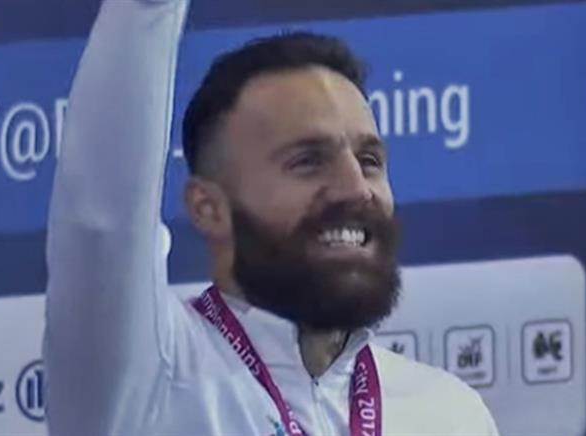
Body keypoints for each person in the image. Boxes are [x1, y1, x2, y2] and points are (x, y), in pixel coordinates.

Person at [44, 0, 499, 434]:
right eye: (308, 161)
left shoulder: (450, 413)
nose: (356, 189)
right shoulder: (147, 380)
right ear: (208, 208)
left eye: (369, 161)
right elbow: (101, 226)